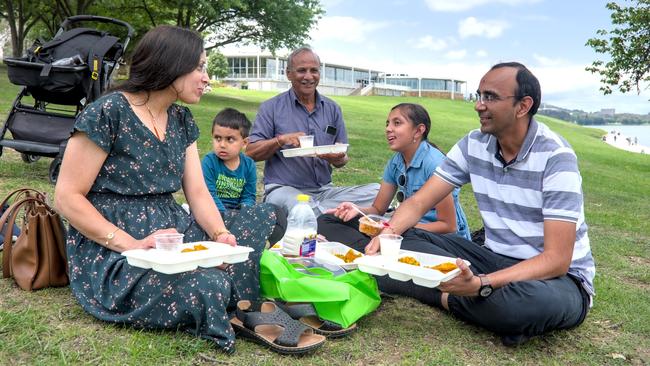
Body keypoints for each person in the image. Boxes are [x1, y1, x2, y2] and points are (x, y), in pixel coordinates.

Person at [54, 25, 278, 353]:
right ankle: (228, 298)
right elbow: (67, 197)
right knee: (210, 283)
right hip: (117, 247)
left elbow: (198, 193)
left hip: (173, 234)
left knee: (264, 215)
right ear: (172, 64)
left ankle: (230, 292)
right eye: (200, 67)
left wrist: (219, 235)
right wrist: (132, 246)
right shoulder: (109, 112)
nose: (206, 77)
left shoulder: (180, 119)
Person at [366, 62, 595, 346]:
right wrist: (388, 232)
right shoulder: (474, 144)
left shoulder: (556, 157)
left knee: (524, 306)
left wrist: (483, 284)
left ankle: (441, 292)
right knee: (404, 237)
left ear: (523, 106)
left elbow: (557, 260)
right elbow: (420, 201)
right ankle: (477, 300)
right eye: (479, 95)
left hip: (557, 278)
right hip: (491, 258)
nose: (479, 105)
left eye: (490, 97)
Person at [317, 103, 470, 251]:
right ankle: (370, 250)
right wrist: (357, 209)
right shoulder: (396, 162)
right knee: (326, 220)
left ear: (418, 131)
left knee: (394, 242)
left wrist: (397, 227)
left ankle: (368, 251)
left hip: (441, 240)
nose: (388, 129)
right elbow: (378, 209)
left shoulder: (434, 163)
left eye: (397, 123)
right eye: (387, 124)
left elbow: (448, 226)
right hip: (403, 230)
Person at [246, 47, 379, 216]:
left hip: (324, 191)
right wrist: (280, 140)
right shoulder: (271, 108)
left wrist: (338, 156)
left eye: (314, 70)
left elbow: (342, 159)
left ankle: (317, 212)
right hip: (284, 189)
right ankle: (327, 214)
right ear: (288, 74)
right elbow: (250, 152)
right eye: (302, 70)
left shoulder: (332, 109)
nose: (309, 76)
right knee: (300, 205)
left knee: (377, 192)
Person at [201, 107, 286, 244]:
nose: (222, 145)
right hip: (213, 212)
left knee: (276, 214)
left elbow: (248, 196)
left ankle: (250, 240)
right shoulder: (209, 161)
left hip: (238, 213)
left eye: (230, 139)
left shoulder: (249, 165)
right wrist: (225, 217)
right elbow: (209, 195)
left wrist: (244, 214)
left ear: (244, 143)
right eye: (217, 138)